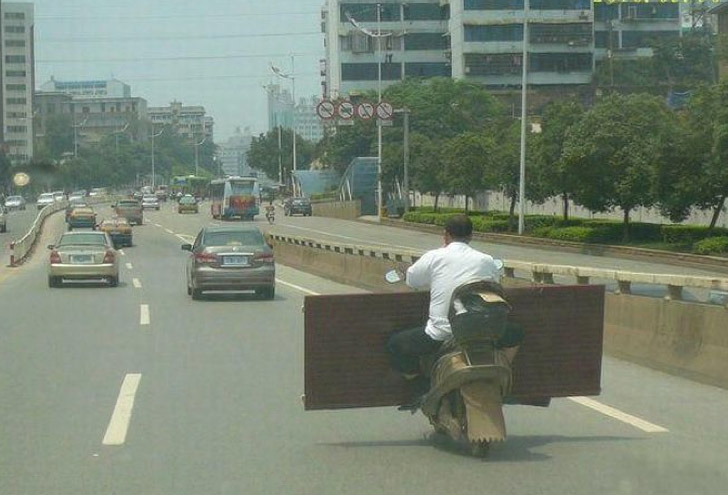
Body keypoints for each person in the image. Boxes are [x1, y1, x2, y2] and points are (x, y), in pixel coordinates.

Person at [386, 214, 502, 392]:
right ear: (471, 236)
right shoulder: (486, 260)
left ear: (445, 235)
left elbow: (412, 280)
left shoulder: (434, 257)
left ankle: (419, 388)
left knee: (395, 345)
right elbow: (495, 284)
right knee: (517, 333)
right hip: (482, 334)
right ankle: (503, 377)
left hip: (440, 335)